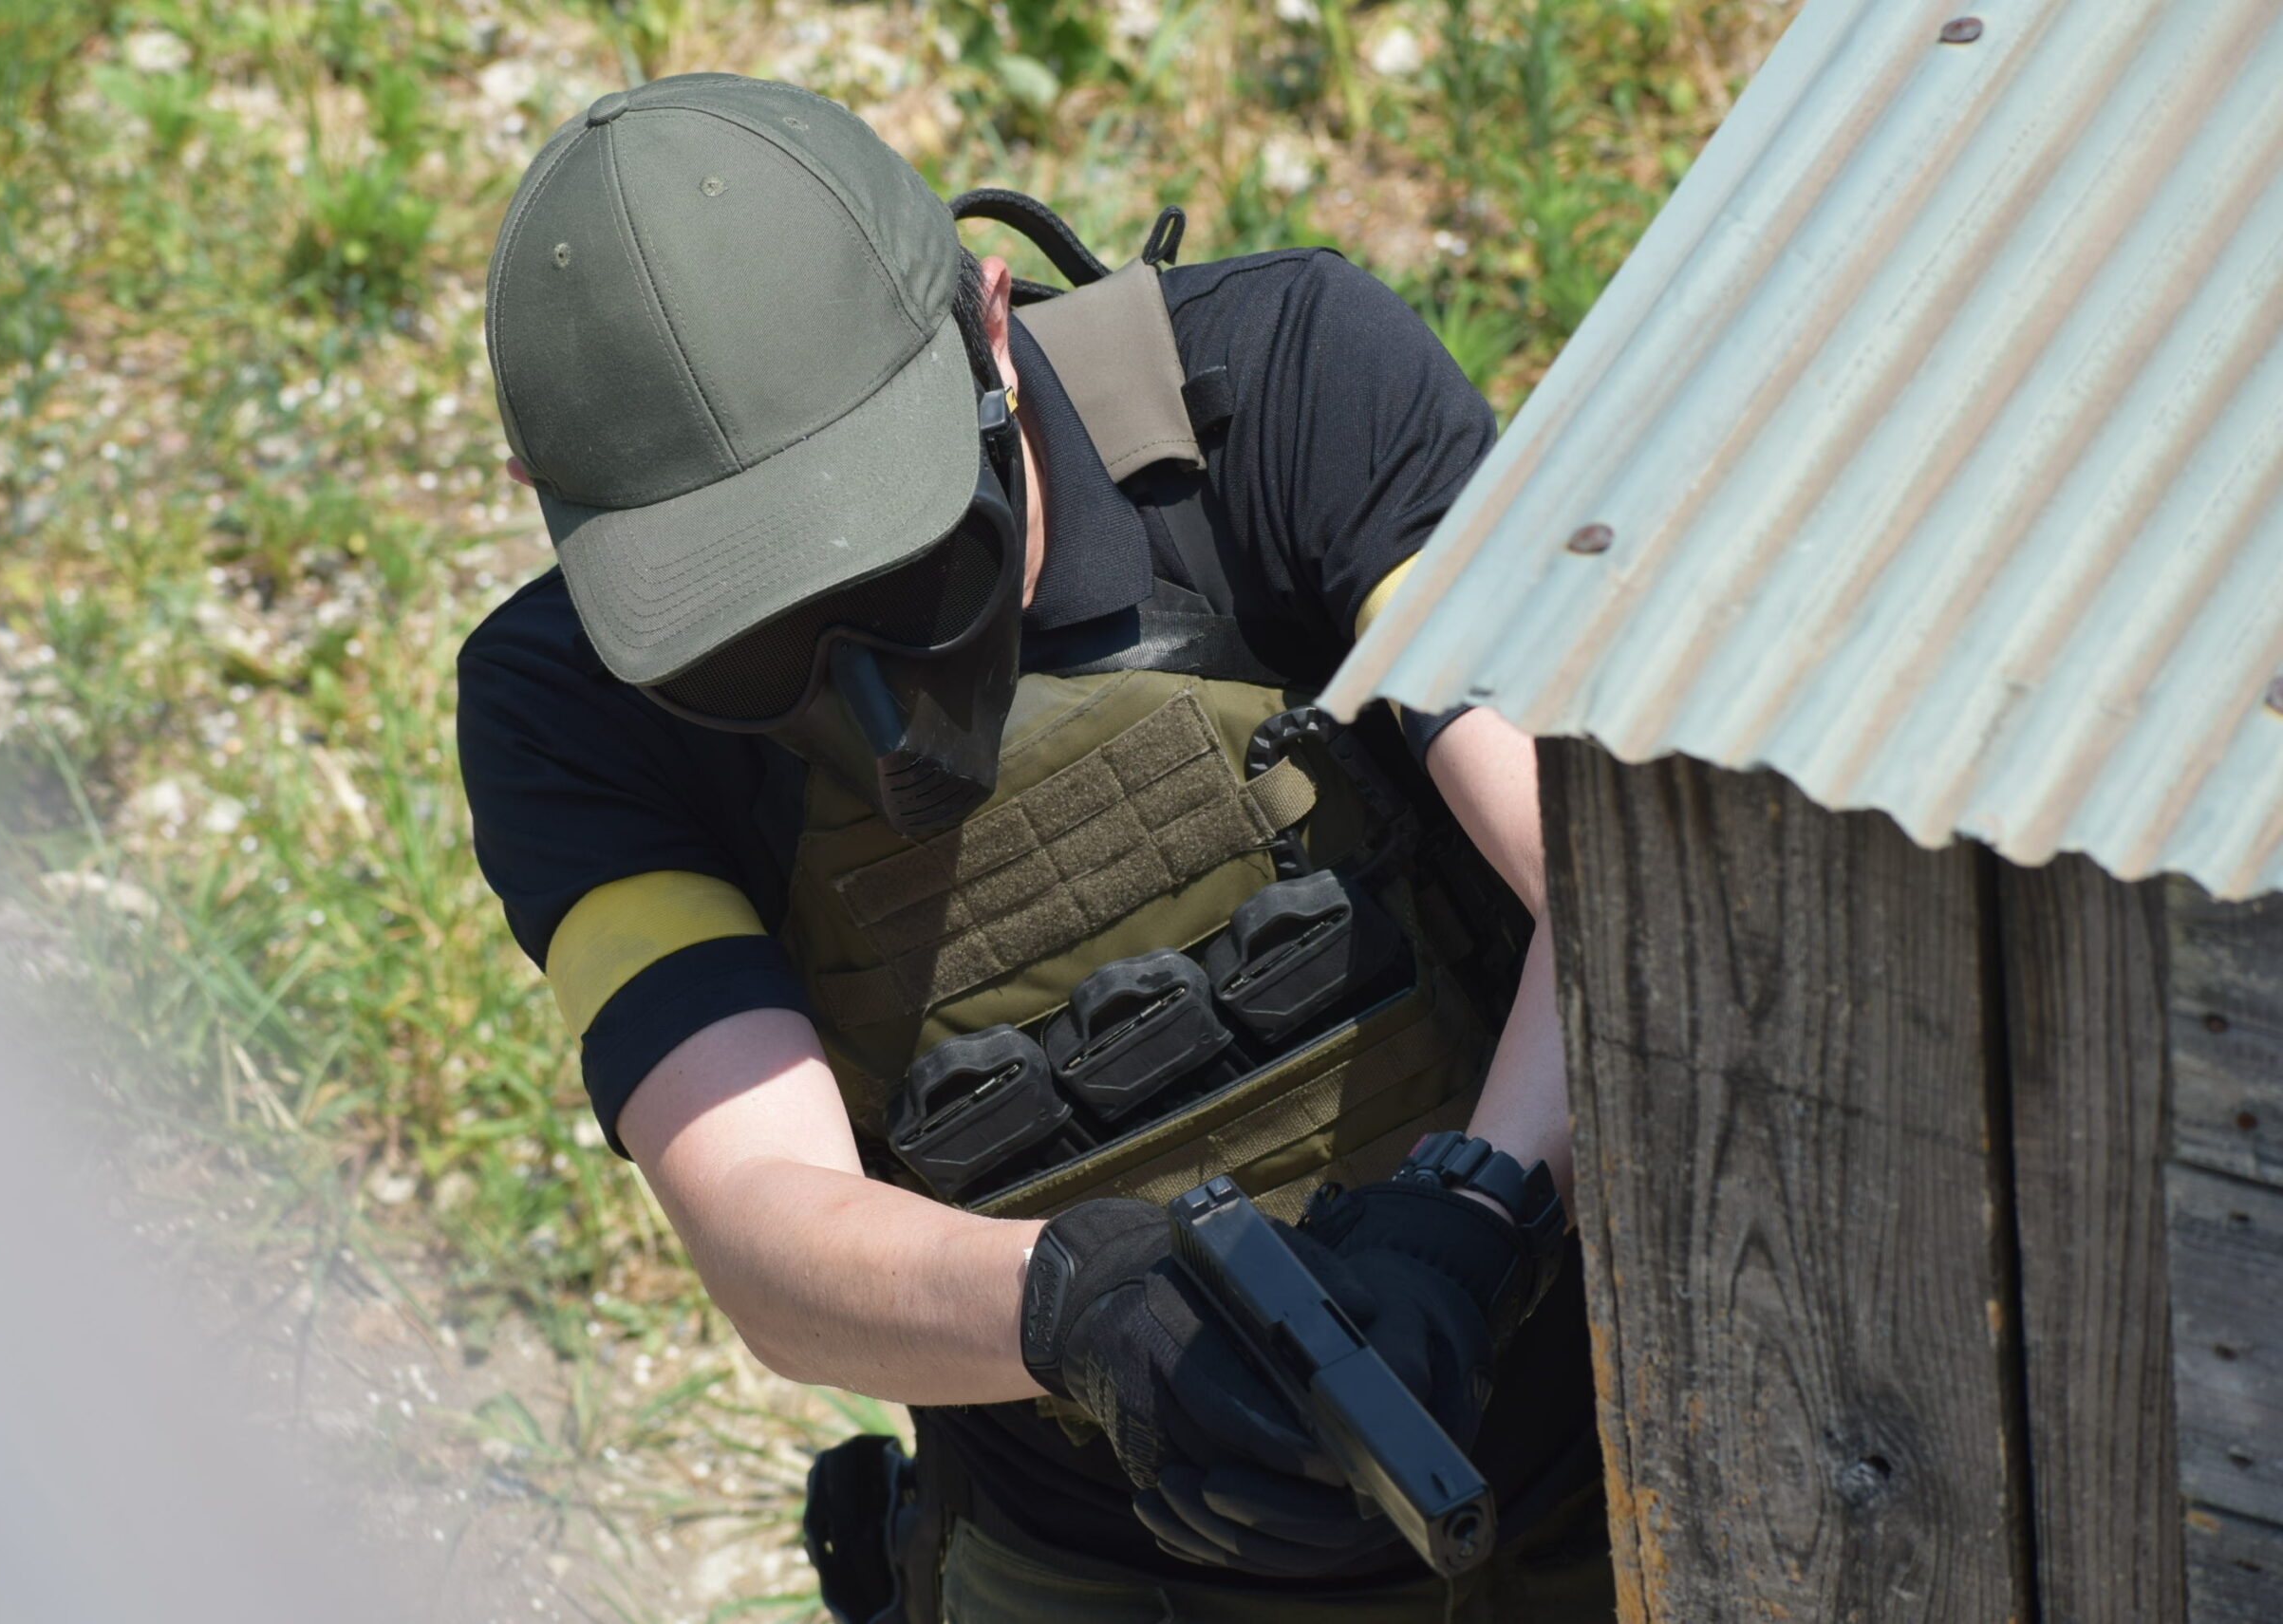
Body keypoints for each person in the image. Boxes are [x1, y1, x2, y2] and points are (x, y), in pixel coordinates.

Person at [456, 73, 1610, 1621]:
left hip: (1607, 1412)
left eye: (915, 563)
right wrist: (1085, 1310)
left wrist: (1474, 1216)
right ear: (554, 512)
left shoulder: (1283, 389)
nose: (873, 705)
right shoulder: (566, 701)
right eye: (746, 646)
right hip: (1107, 1561)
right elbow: (763, 1224)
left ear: (991, 327)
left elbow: (1611, 895)